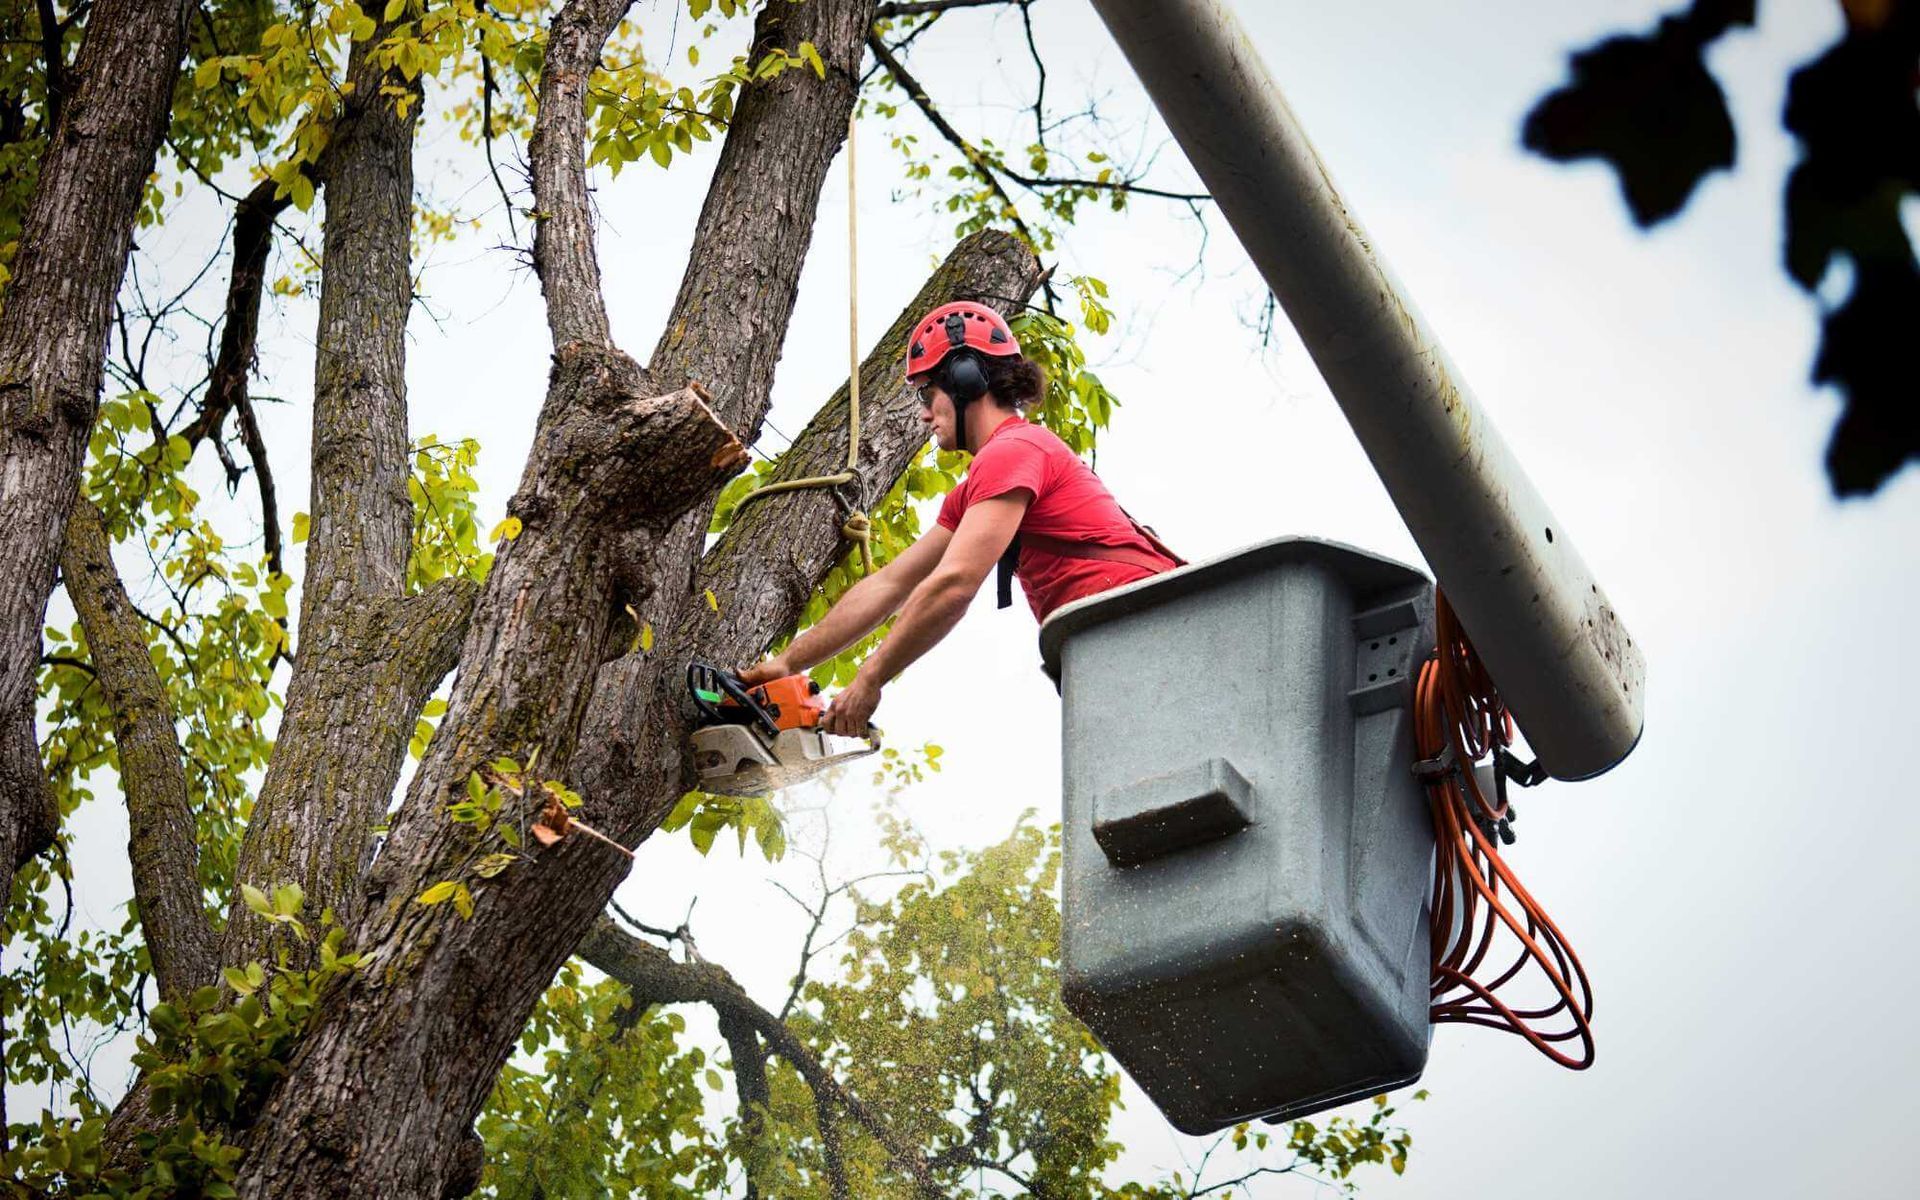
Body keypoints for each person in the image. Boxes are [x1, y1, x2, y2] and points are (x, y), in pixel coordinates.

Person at [739, 301, 1180, 735]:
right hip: (1115, 641)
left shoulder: (1013, 450)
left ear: (967, 379)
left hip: (1153, 629)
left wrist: (869, 679)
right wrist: (788, 663)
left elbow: (954, 584)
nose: (924, 414)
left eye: (928, 395)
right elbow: (890, 584)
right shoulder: (977, 489)